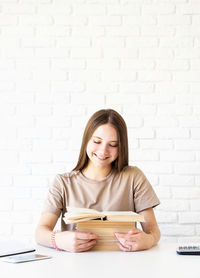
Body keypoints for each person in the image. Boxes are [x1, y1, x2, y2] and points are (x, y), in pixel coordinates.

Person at [35, 109, 160, 253]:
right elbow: (40, 232)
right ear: (86, 140)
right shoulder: (63, 183)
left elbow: (153, 231)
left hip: (124, 265)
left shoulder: (133, 177)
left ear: (121, 147)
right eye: (97, 141)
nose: (103, 151)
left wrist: (148, 240)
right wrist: (59, 240)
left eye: (113, 145)